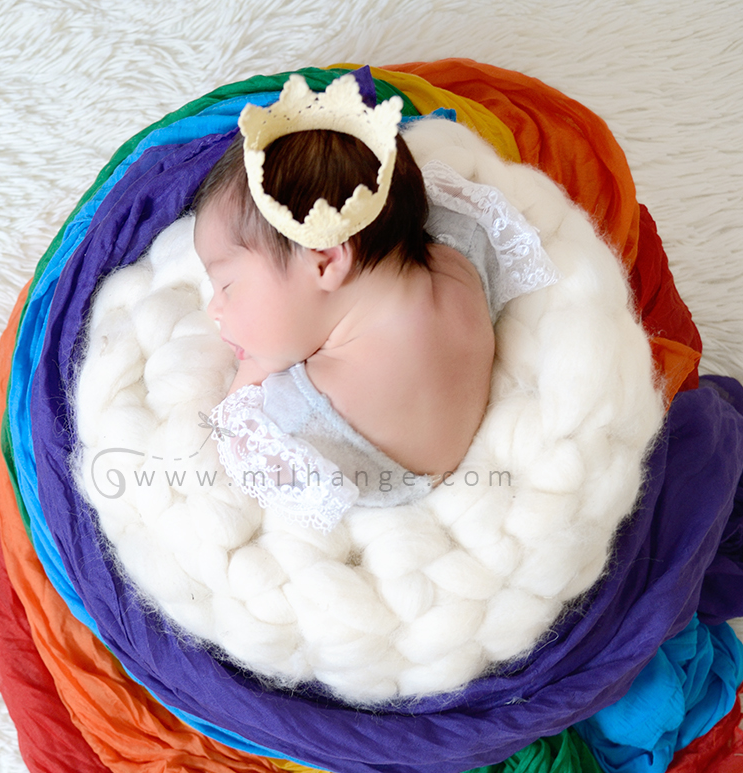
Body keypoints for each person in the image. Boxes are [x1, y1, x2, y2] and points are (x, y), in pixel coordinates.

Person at [194, 72, 554, 531]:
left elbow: (233, 430)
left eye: (227, 286)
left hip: (381, 481)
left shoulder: (302, 416)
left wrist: (256, 365)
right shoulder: (461, 254)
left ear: (326, 262)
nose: (215, 310)